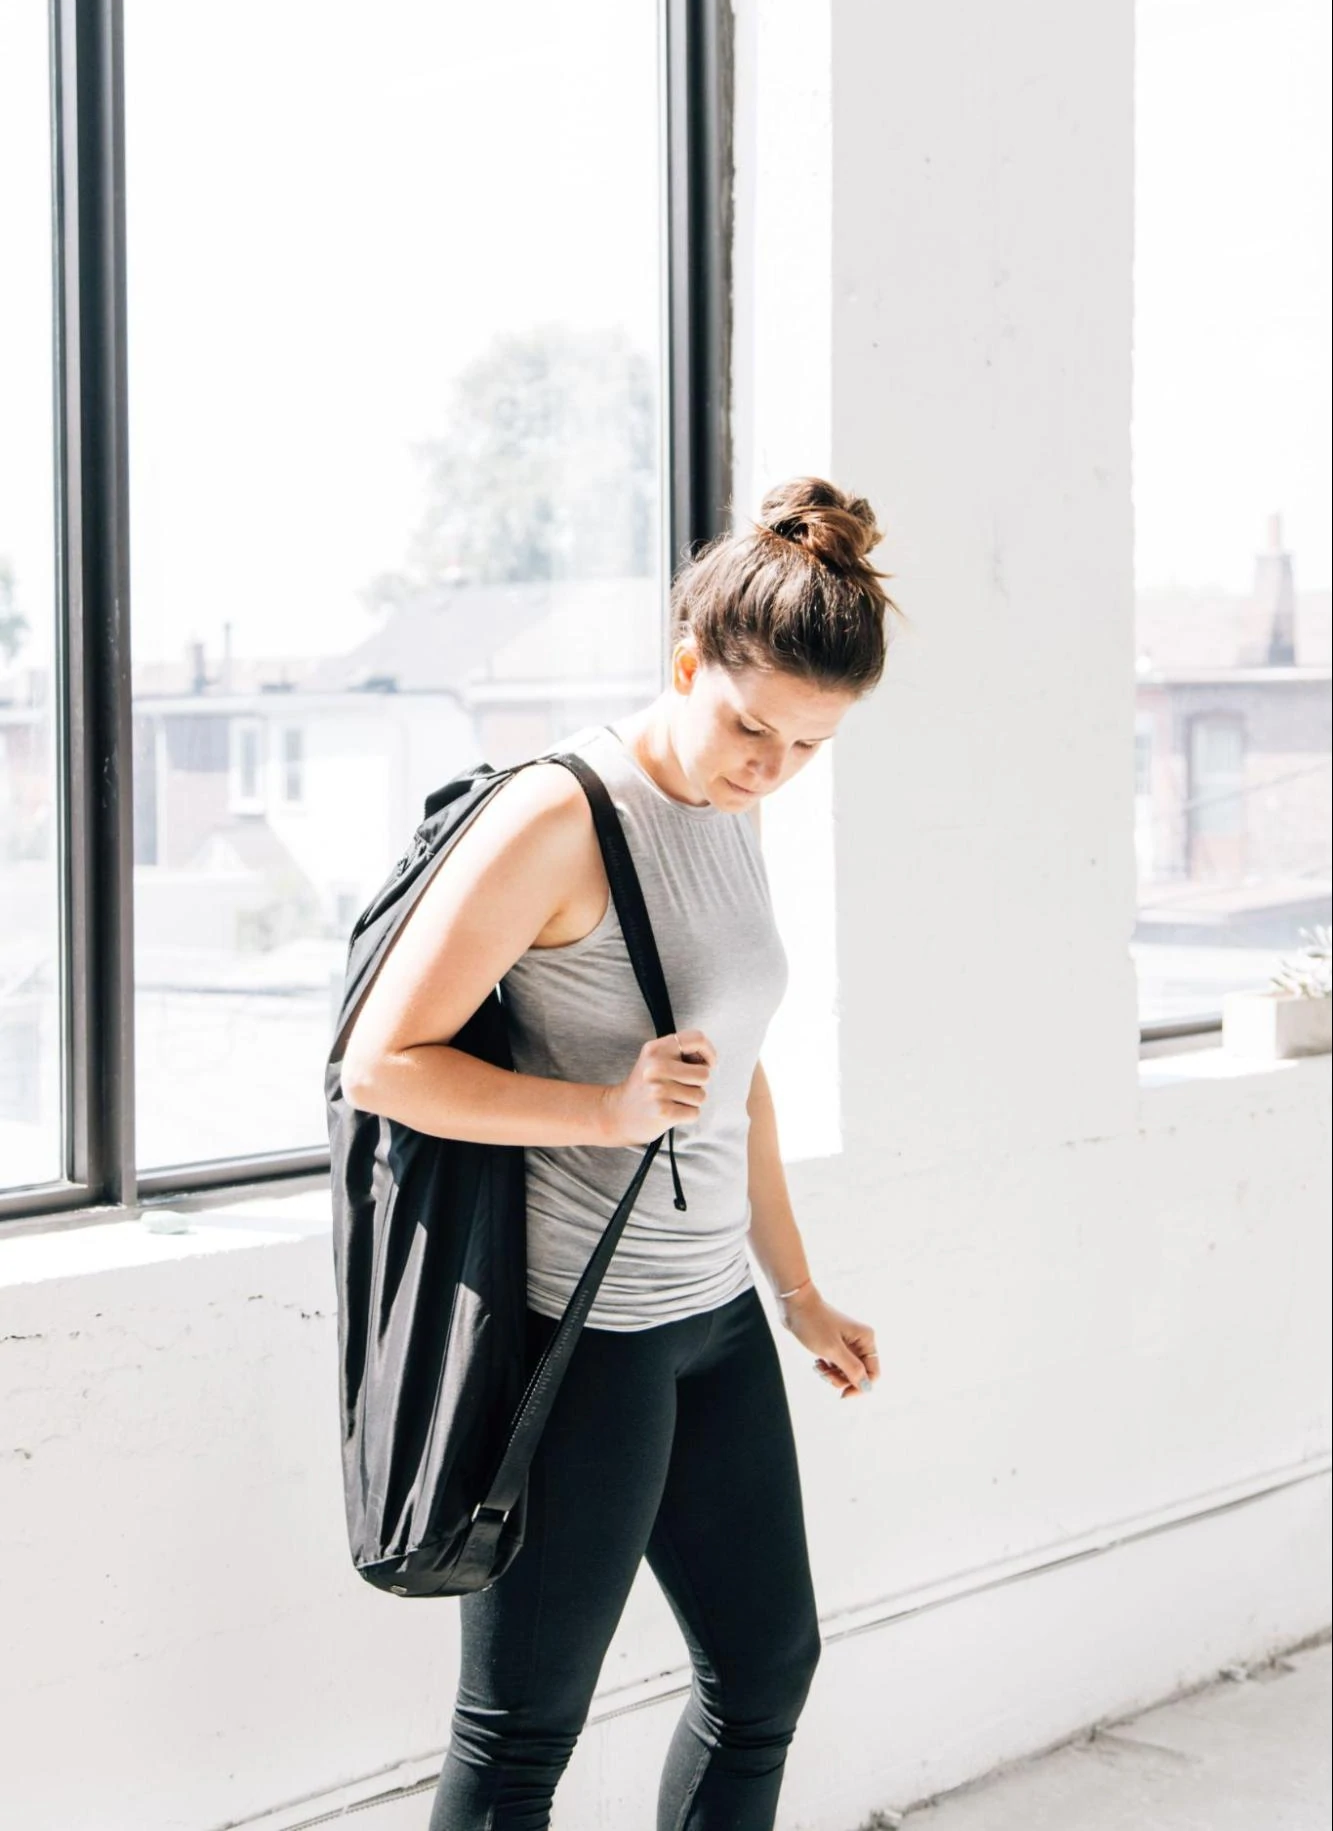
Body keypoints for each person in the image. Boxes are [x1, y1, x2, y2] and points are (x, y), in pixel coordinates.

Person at [342, 475, 900, 1831]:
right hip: (575, 1336)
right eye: (751, 724)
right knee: (522, 1731)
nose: (770, 766)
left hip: (710, 1317)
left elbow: (736, 1079)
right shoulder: (557, 819)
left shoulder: (735, 809)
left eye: (808, 747)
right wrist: (601, 1111)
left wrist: (798, 1287)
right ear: (686, 661)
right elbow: (382, 1062)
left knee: (768, 1670)